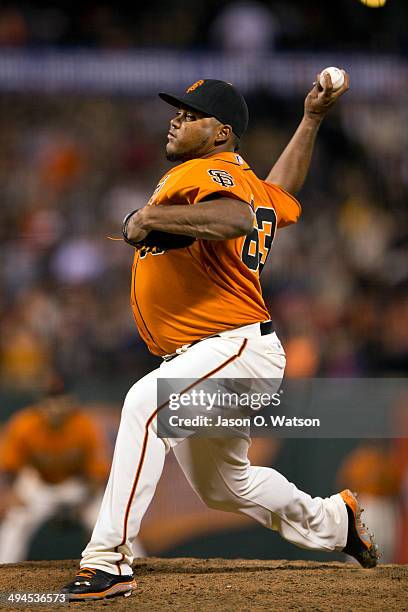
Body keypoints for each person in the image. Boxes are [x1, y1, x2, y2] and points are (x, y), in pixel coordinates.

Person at [62, 74, 379, 602]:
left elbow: (235, 218)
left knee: (145, 403)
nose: (175, 120)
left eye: (190, 116)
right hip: (224, 354)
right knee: (225, 485)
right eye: (178, 112)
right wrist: (312, 120)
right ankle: (335, 522)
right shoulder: (239, 179)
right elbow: (280, 194)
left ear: (220, 134)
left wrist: (149, 216)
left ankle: (109, 560)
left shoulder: (207, 172)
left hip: (232, 346)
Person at [0, 381, 110, 563]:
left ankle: (137, 564)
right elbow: (10, 468)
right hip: (39, 485)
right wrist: (12, 494)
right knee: (16, 519)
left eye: (61, 400)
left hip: (76, 487)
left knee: (107, 520)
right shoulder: (25, 424)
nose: (55, 407)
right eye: (50, 401)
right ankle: (3, 569)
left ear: (72, 402)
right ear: (40, 404)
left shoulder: (85, 426)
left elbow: (97, 475)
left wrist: (82, 504)